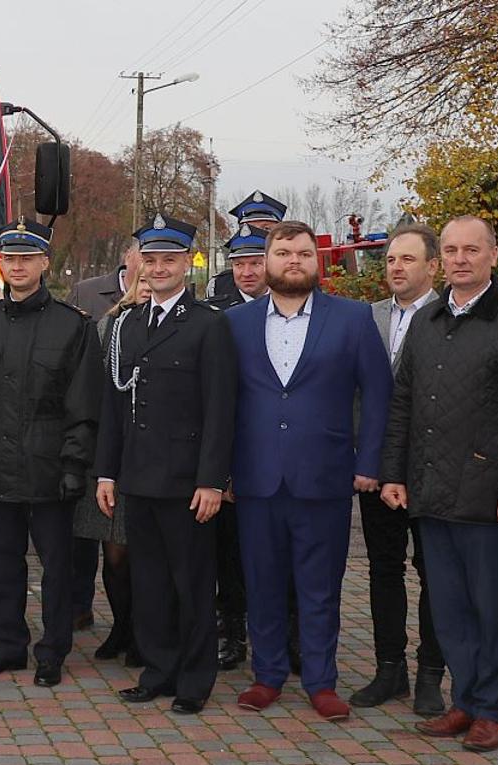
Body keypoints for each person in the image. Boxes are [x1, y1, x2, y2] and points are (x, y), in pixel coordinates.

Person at [379, 216, 498, 752]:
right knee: (448, 607)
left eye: (471, 249)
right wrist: (394, 473)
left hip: (488, 495)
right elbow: (403, 402)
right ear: (440, 259)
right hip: (430, 491)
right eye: (450, 250)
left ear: (493, 255)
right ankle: (466, 701)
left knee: (491, 609)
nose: (459, 259)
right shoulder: (427, 320)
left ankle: (493, 710)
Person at [224, 220, 392, 720]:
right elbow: (223, 402)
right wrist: (222, 472)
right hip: (255, 478)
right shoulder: (237, 324)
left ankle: (321, 681)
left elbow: (378, 395)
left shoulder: (352, 319)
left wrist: (368, 463)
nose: (292, 260)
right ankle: (268, 676)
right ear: (267, 260)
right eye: (283, 253)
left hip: (325, 477)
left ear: (316, 262)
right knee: (262, 582)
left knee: (320, 586)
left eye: (302, 253)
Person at [92, 214, 237, 714]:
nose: (158, 268)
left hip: (186, 481)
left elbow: (221, 408)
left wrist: (212, 480)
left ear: (188, 263)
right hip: (137, 476)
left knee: (192, 584)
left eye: (169, 260)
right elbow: (113, 405)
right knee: (149, 583)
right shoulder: (127, 323)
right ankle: (158, 671)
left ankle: (194, 680)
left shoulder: (208, 324)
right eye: (150, 260)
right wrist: (106, 472)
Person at [0, 219, 101, 689]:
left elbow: (83, 403)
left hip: (50, 466)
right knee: (2, 562)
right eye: (10, 259)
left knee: (57, 567)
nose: (17, 267)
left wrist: (75, 464)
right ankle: (9, 646)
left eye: (27, 259)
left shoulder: (72, 326)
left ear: (43, 264)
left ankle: (53, 649)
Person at [351, 224, 447, 715]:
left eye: (408, 260)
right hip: (376, 471)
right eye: (390, 259)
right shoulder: (367, 319)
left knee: (434, 573)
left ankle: (431, 673)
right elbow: (357, 397)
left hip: (431, 473)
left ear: (433, 266)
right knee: (383, 570)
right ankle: (390, 670)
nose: (396, 268)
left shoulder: (450, 318)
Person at [204, 223, 270, 673]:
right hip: (233, 448)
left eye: (254, 262)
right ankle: (232, 631)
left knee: (275, 551)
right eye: (238, 264)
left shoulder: (295, 307)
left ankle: (285, 632)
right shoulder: (217, 315)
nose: (246, 273)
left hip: (276, 448)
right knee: (228, 551)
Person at [64, 246, 137, 633]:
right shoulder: (102, 312)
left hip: (147, 450)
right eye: (145, 257)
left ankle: (137, 631)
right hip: (103, 444)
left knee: (131, 551)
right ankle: (107, 622)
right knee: (99, 543)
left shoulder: (193, 317)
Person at [207, 191, 286, 300]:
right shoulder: (220, 285)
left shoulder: (294, 278)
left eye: (266, 229)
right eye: (250, 227)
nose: (255, 234)